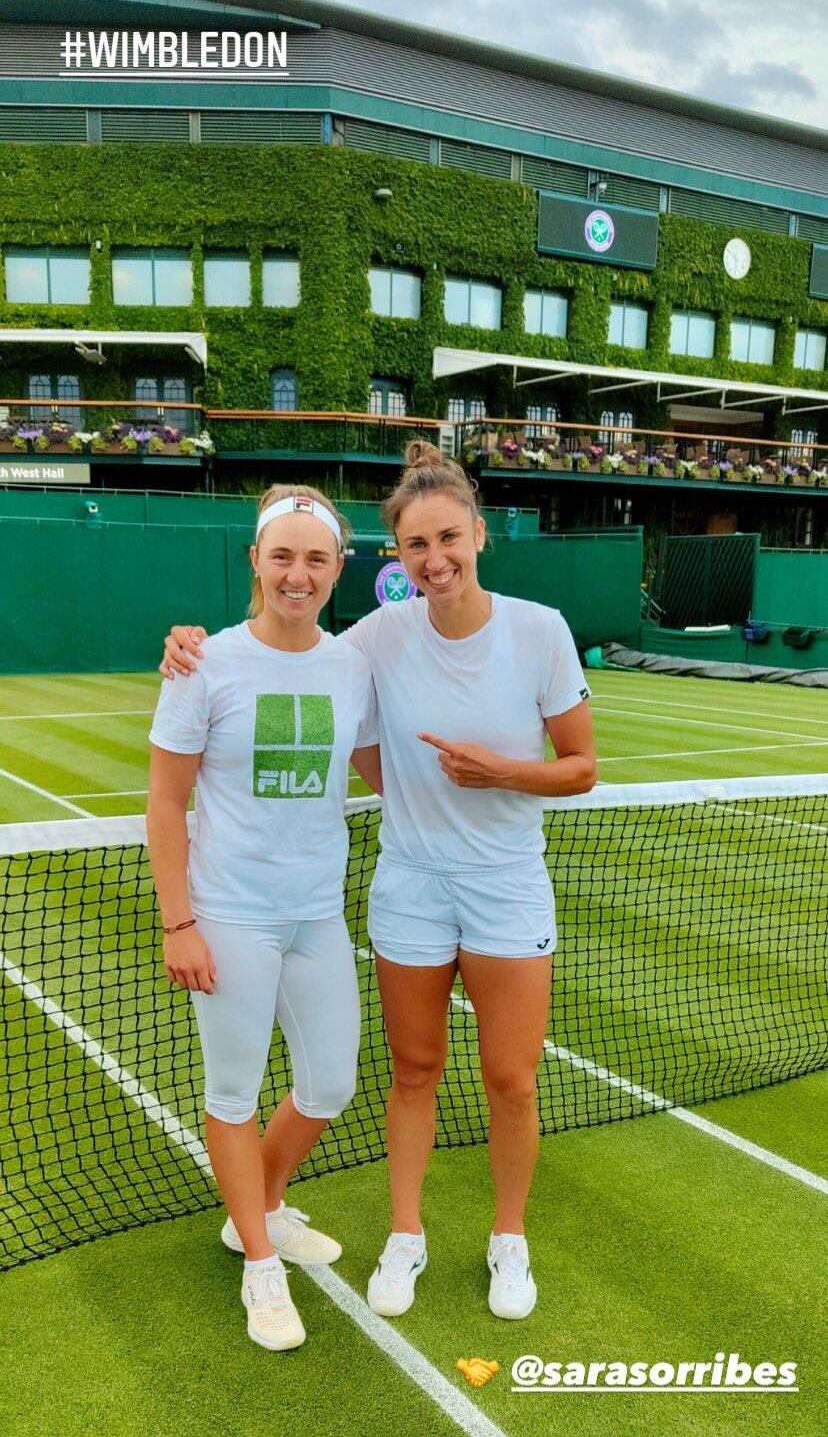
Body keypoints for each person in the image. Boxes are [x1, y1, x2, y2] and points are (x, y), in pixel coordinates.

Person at [161, 441, 596, 1323]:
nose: (434, 559)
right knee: (409, 1071)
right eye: (414, 546)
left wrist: (500, 775)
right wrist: (183, 642)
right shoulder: (360, 642)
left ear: (478, 533)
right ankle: (378, 1239)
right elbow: (293, 692)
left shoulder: (526, 630)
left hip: (490, 887)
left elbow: (580, 766)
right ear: (394, 558)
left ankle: (503, 1238)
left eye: (449, 538)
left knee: (496, 1080)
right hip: (394, 888)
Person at [147, 484, 381, 1352]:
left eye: (315, 558)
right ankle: (259, 1262)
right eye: (281, 555)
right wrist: (180, 923)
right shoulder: (205, 663)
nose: (297, 573)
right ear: (255, 561)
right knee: (233, 1093)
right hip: (230, 915)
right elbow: (166, 803)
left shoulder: (352, 665)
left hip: (317, 912)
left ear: (337, 570)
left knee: (331, 1085)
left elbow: (380, 768)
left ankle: (262, 1207)